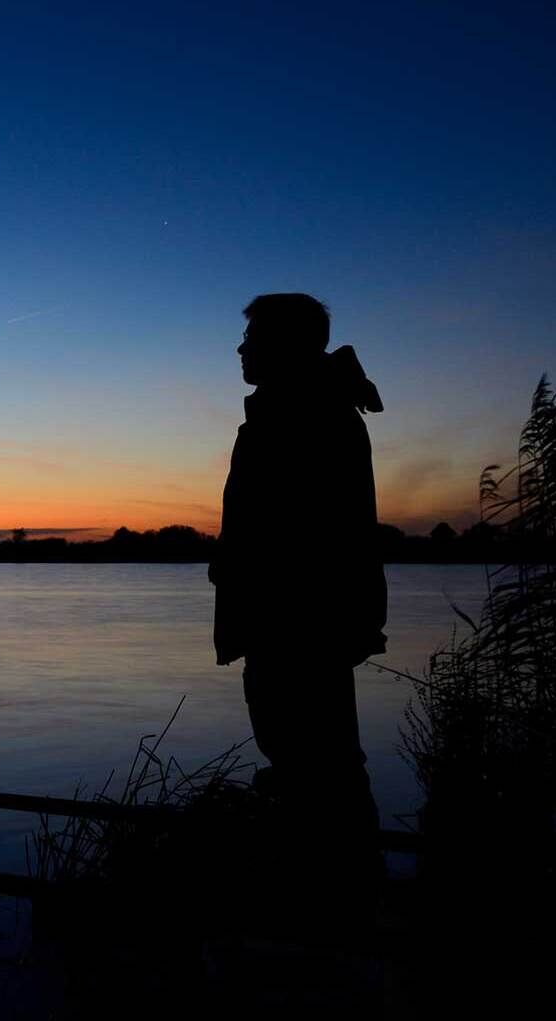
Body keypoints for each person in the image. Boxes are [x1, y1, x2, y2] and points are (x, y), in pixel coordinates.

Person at [209, 293, 386, 910]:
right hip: (292, 622)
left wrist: (246, 573)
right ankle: (334, 897)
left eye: (252, 338)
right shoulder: (298, 408)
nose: (240, 349)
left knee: (320, 767)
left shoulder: (307, 414)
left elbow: (309, 531)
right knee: (311, 763)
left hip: (299, 626)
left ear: (284, 346)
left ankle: (337, 909)